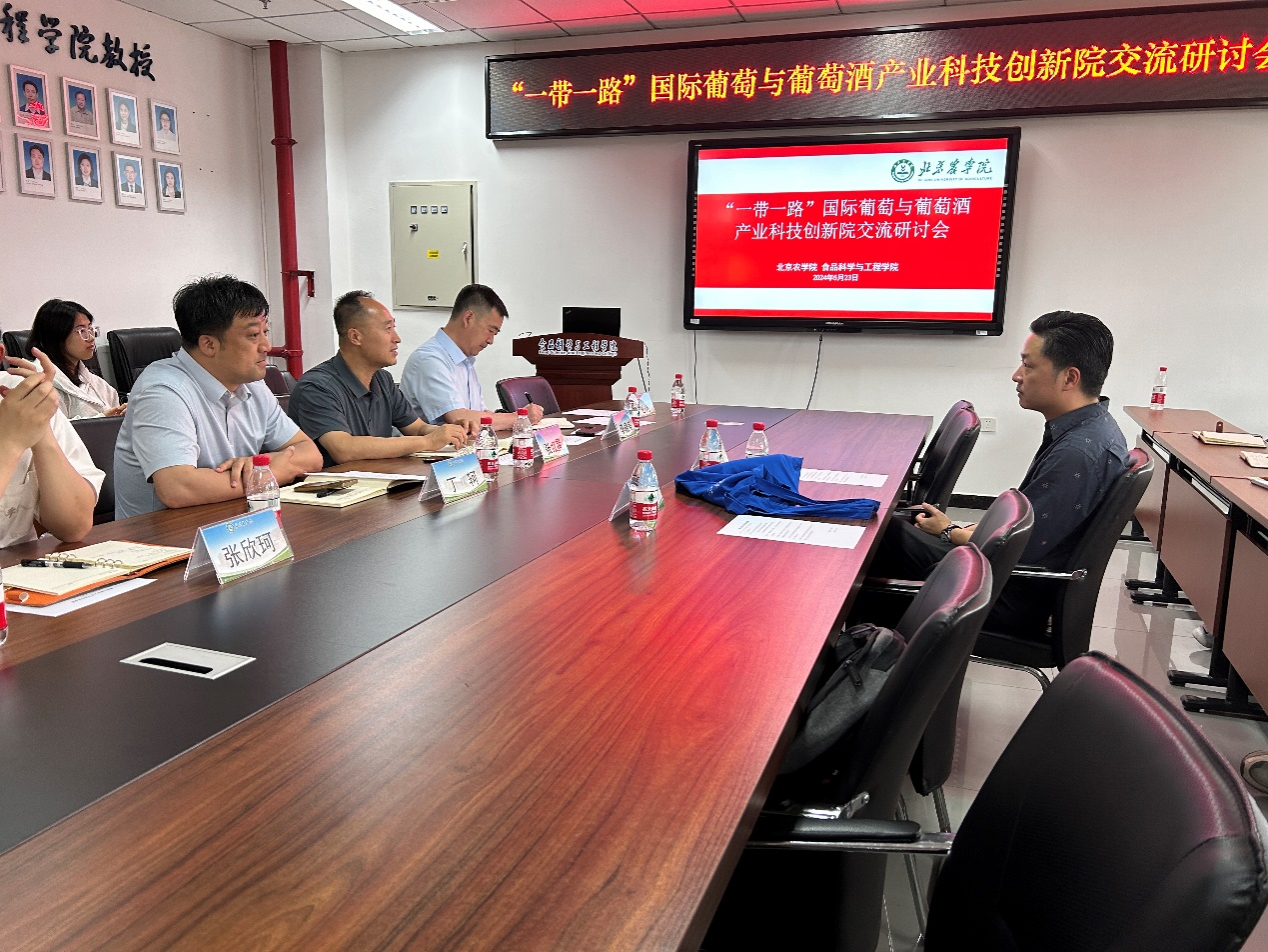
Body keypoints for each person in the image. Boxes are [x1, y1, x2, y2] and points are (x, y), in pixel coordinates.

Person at [870, 310, 1130, 631]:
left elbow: (1012, 549)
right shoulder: (1090, 430)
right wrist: (959, 529)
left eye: (1028, 366)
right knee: (889, 528)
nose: (1017, 376)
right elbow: (1028, 527)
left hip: (1003, 593)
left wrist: (950, 532)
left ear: (1069, 378)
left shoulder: (1079, 454)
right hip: (1007, 576)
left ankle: (864, 652)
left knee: (880, 536)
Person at [113, 276, 322, 518]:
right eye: (253, 335)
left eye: (265, 332)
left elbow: (310, 454)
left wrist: (260, 463)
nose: (266, 346)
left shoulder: (252, 384)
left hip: (233, 523)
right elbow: (177, 488)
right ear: (209, 345)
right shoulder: (163, 390)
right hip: (163, 536)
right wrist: (270, 472)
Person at [288, 291, 468, 468]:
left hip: (378, 478)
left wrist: (449, 432)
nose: (397, 338)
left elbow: (417, 428)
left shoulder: (382, 380)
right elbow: (343, 449)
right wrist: (428, 442)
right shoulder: (317, 387)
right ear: (355, 337)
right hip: (334, 485)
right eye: (388, 329)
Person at [400, 284, 543, 435]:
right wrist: (519, 418)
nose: (490, 341)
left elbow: (480, 413)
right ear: (468, 318)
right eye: (490, 331)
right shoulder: (430, 359)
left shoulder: (465, 361)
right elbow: (458, 418)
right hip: (434, 449)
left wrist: (508, 418)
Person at [0, 345, 103, 547]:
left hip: (21, 564)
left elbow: (74, 527)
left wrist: (40, 429)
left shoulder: (20, 397)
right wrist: (10, 444)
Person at [28, 300, 124, 420]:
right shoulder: (36, 383)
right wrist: (102, 419)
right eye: (82, 331)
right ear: (56, 335)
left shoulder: (100, 385)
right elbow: (52, 428)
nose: (91, 338)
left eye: (90, 329)